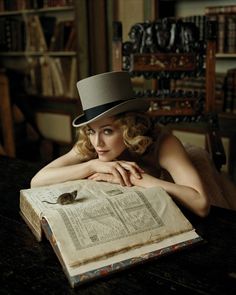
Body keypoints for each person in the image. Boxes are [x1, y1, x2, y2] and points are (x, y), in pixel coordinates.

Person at [31, 71, 235, 217]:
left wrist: (136, 178)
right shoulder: (93, 142)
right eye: (92, 130)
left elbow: (201, 204)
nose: (98, 142)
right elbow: (37, 181)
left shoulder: (164, 143)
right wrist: (92, 165)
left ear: (130, 127)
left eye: (108, 131)